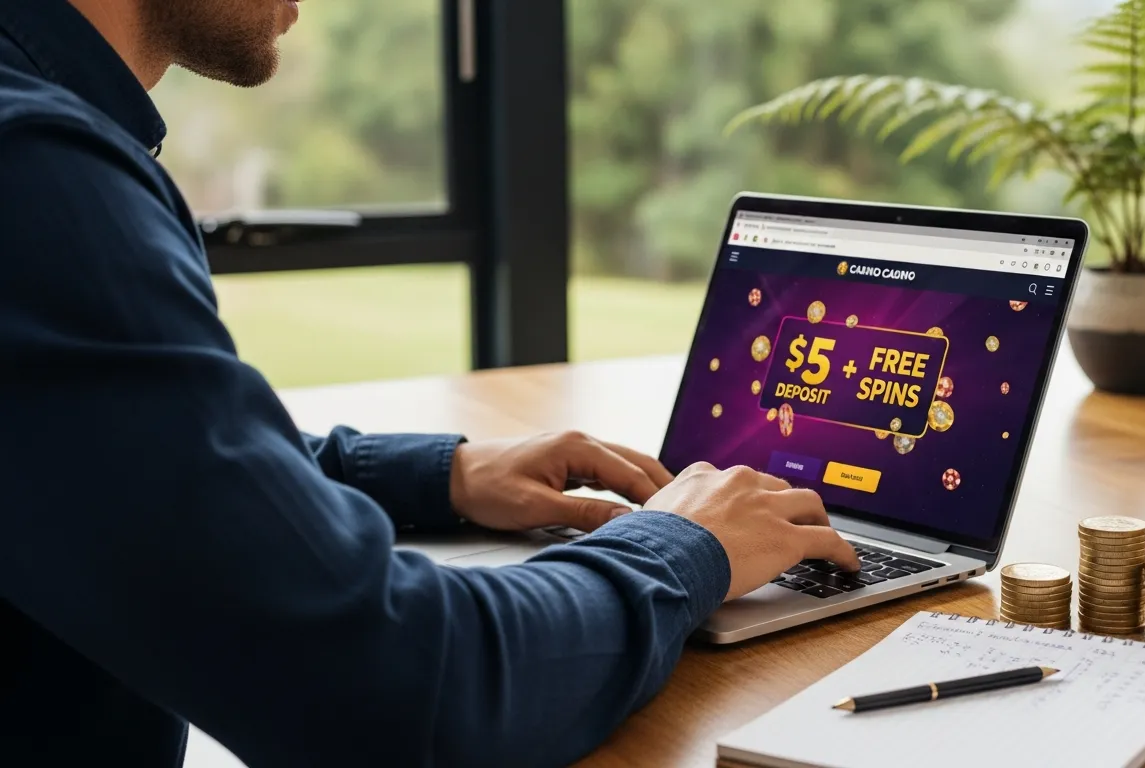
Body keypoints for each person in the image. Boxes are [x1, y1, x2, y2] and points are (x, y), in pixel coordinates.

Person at [0, 1, 861, 765]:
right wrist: (682, 548)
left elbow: (118, 465)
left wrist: (441, 475)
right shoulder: (36, 174)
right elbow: (396, 692)